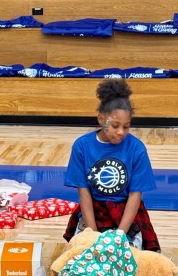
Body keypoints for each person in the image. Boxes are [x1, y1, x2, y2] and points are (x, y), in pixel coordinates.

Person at [62, 79, 161, 252]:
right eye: (115, 126)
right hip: (94, 211)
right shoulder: (81, 146)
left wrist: (119, 237)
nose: (121, 132)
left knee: (128, 257)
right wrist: (92, 235)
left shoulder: (137, 149)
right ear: (101, 119)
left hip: (125, 213)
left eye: (126, 126)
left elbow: (134, 197)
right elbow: (84, 195)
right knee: (83, 254)